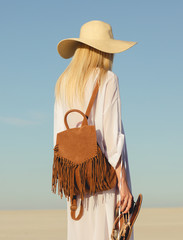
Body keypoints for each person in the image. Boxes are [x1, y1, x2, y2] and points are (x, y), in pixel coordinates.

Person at [53, 20, 137, 240]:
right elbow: (111, 137)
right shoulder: (108, 80)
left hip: (77, 185)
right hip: (104, 181)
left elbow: (57, 137)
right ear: (104, 51)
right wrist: (123, 183)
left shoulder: (63, 83)